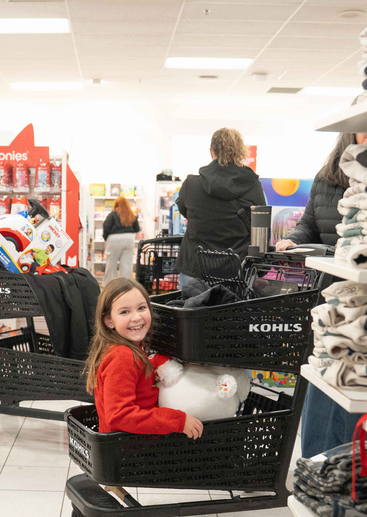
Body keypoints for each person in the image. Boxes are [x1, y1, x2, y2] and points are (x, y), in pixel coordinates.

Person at [274, 130, 367, 458]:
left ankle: (357, 466)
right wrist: (295, 239)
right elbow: (308, 224)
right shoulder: (327, 180)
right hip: (332, 298)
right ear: (350, 133)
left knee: (363, 382)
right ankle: (320, 467)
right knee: (327, 376)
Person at [84, 278, 203, 439]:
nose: (136, 317)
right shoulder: (121, 356)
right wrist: (178, 421)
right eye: (124, 312)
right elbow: (120, 416)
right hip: (129, 450)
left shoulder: (130, 348)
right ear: (109, 321)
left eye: (141, 308)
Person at [175, 128, 267, 292]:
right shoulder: (253, 185)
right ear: (241, 153)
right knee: (232, 318)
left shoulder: (191, 184)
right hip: (236, 273)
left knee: (191, 316)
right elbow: (259, 225)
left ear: (211, 152)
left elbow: (184, 211)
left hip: (195, 269)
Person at [275, 131, 367, 251]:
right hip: (331, 267)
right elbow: (309, 226)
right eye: (366, 122)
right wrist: (293, 240)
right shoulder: (326, 177)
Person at [102, 195, 140, 281]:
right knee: (126, 265)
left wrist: (105, 238)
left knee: (111, 264)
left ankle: (109, 284)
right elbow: (137, 229)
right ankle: (125, 285)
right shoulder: (131, 215)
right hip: (129, 238)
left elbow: (106, 226)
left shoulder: (112, 214)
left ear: (116, 204)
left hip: (114, 238)